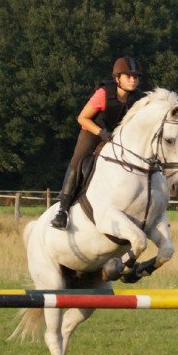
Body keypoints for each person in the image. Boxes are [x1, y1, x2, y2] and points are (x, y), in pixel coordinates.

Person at [50, 57, 145, 229]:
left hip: (117, 138)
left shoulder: (139, 98)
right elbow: (82, 118)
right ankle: (62, 210)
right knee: (78, 161)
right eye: (128, 76)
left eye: (136, 77)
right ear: (117, 79)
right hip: (93, 132)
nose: (133, 80)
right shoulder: (103, 94)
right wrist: (102, 132)